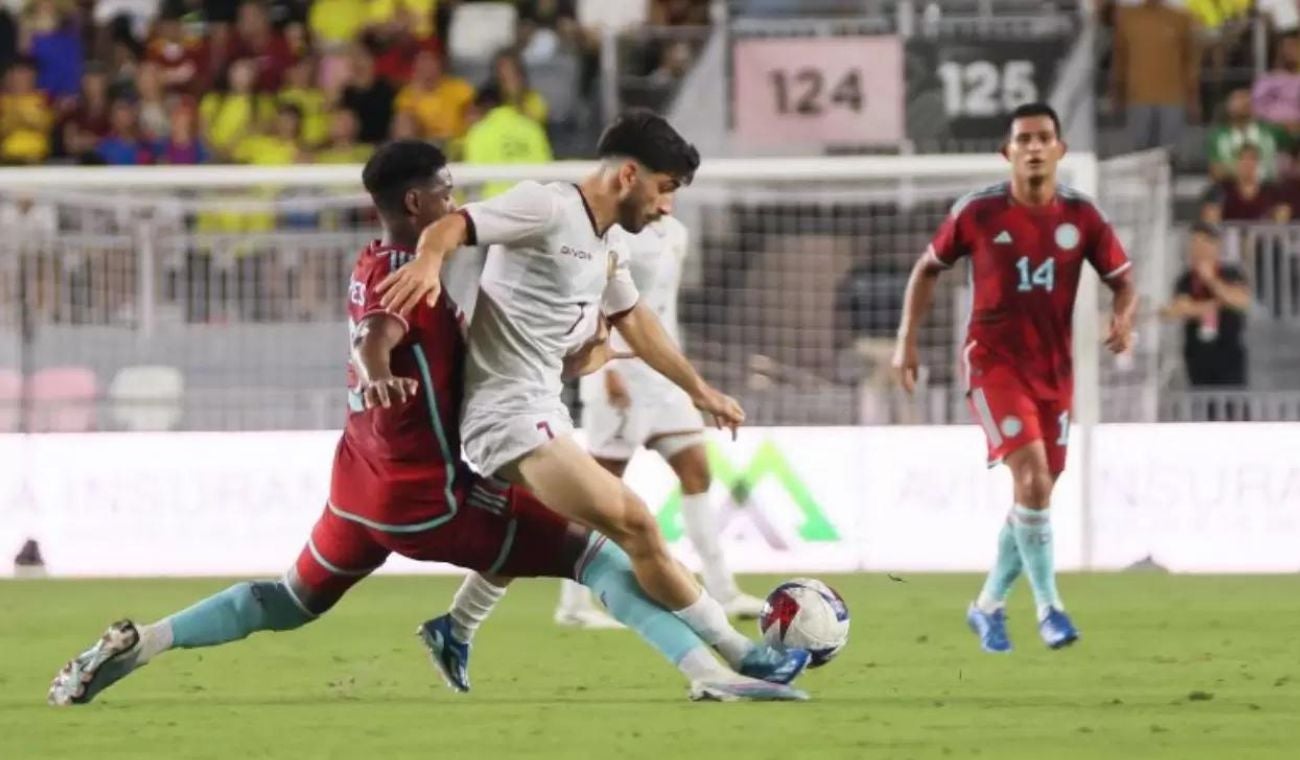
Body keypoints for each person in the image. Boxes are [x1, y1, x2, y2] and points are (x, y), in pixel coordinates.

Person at [46, 141, 807, 708]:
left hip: (358, 487)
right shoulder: (408, 276)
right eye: (447, 191)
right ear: (417, 203)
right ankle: (713, 671)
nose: (456, 200)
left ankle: (141, 643)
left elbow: (417, 333)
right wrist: (377, 369)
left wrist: (575, 347)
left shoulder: (376, 260)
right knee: (596, 553)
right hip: (427, 496)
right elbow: (376, 333)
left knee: (290, 599)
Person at [376, 111, 803, 684]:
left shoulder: (607, 243)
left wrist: (699, 390)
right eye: (664, 188)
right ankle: (739, 654)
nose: (665, 207)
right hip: (507, 416)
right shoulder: (545, 206)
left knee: (538, 534)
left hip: (543, 407)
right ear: (628, 175)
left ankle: (456, 625)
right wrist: (429, 261)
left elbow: (635, 320)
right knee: (635, 526)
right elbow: (452, 226)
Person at [892, 102, 1137, 654]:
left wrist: (1123, 317)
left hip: (1054, 372)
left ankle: (986, 607)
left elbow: (1123, 280)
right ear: (1007, 152)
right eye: (1023, 139)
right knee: (1031, 477)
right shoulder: (978, 212)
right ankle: (1050, 609)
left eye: (1043, 137)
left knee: (1037, 491)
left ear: (1060, 150)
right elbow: (928, 268)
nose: (1033, 147)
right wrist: (907, 338)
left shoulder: (1083, 217)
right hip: (993, 365)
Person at [557, 210, 765, 628]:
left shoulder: (677, 232)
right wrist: (605, 371)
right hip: (618, 374)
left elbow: (659, 308)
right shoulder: (614, 232)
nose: (666, 194)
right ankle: (573, 604)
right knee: (597, 493)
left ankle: (723, 590)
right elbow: (598, 299)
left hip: (664, 380)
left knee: (697, 472)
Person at [1161, 223, 1251, 390]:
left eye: (1202, 244)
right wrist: (1216, 305)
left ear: (1215, 245)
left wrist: (1210, 280)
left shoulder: (1231, 273)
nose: (1196, 250)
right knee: (1201, 400)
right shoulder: (1185, 279)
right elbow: (1181, 308)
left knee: (1232, 402)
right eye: (1193, 244)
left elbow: (1241, 300)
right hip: (1197, 354)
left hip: (1228, 354)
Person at [1110, 0, 1200, 152]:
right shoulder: (1128, 18)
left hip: (1172, 98)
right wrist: (1117, 94)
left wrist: (1193, 99)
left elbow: (1189, 62)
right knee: (1140, 155)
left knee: (1169, 153)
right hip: (1138, 98)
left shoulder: (1180, 19)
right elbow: (1119, 60)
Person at [1208, 88, 1288, 182]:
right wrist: (1244, 174)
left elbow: (1294, 142)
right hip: (1231, 187)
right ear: (1228, 107)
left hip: (1268, 186)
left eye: (1246, 98)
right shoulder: (1218, 136)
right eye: (1237, 98)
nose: (1243, 102)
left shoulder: (1270, 130)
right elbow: (1215, 172)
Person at [1201, 143, 1290, 224]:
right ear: (1235, 163)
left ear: (1259, 163)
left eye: (1252, 159)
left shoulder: (1271, 190)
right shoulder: (1222, 189)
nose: (1247, 163)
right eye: (1243, 159)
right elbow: (1210, 221)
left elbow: (1282, 219)